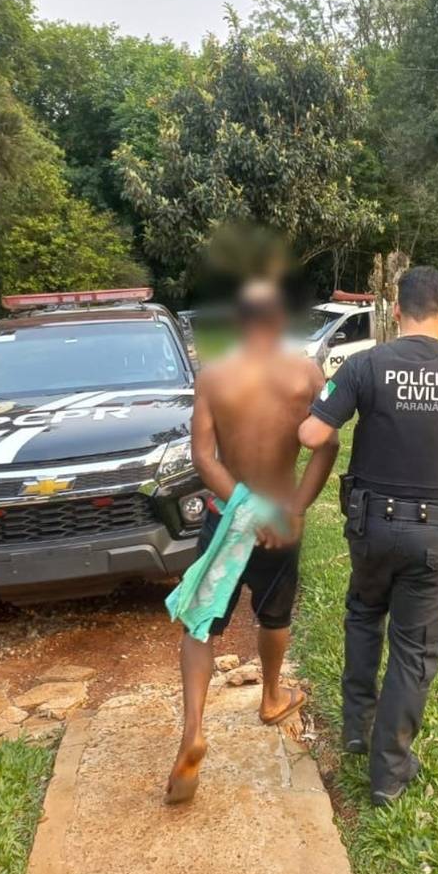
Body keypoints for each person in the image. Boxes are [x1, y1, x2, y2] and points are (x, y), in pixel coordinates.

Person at [298, 265, 438, 806]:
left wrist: (317, 399)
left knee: (364, 615)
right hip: (434, 531)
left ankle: (356, 727)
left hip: (369, 524)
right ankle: (388, 772)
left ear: (394, 312)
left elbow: (314, 434)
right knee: (414, 649)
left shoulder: (364, 365)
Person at [167, 281, 339, 804]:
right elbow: (327, 448)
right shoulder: (307, 374)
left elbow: (203, 458)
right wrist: (293, 507)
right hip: (282, 521)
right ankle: (269, 695)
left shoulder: (214, 375)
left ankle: (193, 729)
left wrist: (246, 509)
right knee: (274, 616)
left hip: (226, 518)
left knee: (202, 624)